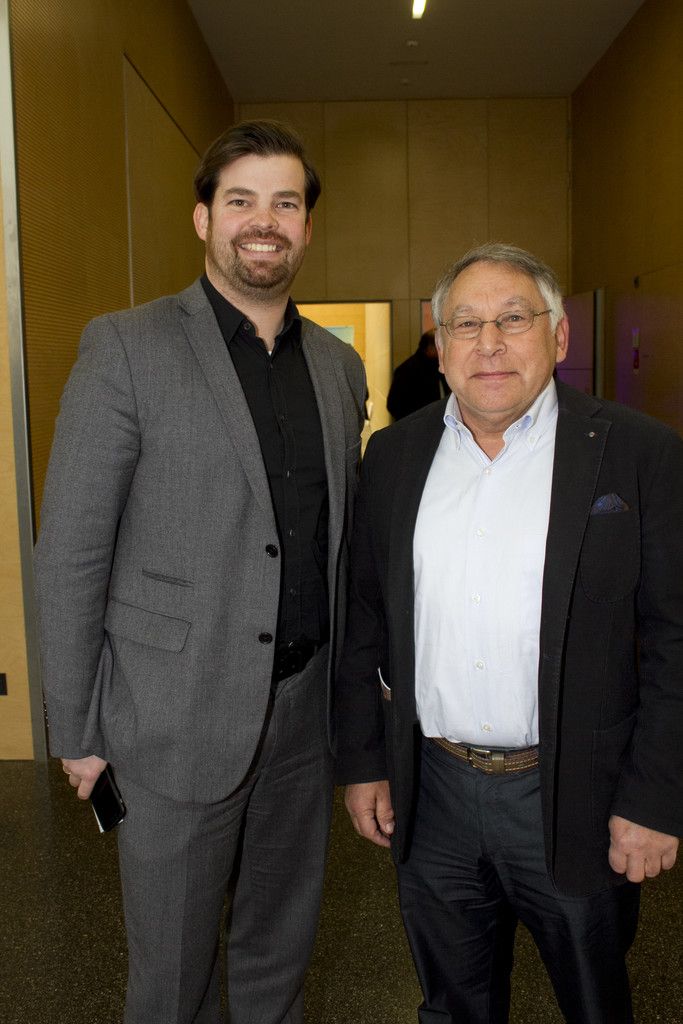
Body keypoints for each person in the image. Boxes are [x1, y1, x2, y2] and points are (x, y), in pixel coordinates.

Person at [34, 120, 366, 1024]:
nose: (264, 221)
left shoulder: (338, 367)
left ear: (306, 227)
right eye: (241, 200)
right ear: (203, 218)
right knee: (172, 980)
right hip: (169, 717)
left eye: (285, 203)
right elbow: (71, 551)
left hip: (302, 718)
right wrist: (78, 730)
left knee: (278, 956)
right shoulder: (126, 347)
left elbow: (336, 543)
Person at [336, 243, 682, 1023]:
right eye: (465, 324)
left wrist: (657, 797)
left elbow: (674, 639)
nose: (488, 343)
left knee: (593, 1003)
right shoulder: (393, 456)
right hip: (432, 793)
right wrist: (364, 761)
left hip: (577, 793)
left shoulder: (639, 454)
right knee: (453, 1004)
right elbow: (365, 617)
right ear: (439, 344)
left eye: (513, 319)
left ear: (557, 337)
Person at [386, 328, 448, 419]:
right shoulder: (406, 370)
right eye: (440, 347)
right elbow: (393, 405)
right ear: (430, 348)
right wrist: (415, 422)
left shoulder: (439, 366)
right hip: (417, 424)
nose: (444, 351)